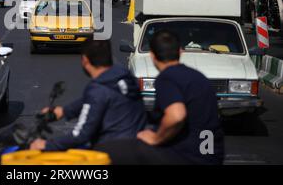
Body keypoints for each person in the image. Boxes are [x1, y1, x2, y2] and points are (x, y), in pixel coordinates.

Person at [95, 30, 224, 165]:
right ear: (180, 52)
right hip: (212, 154)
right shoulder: (199, 77)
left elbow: (176, 115)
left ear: (152, 55)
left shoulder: (167, 78)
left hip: (188, 155)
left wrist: (156, 138)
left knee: (106, 151)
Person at [29, 39, 147, 151]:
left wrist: (47, 145)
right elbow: (96, 99)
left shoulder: (98, 89)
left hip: (113, 150)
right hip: (136, 145)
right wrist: (65, 111)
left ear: (85, 60)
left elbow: (81, 134)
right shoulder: (124, 76)